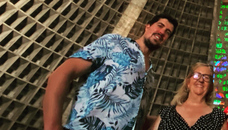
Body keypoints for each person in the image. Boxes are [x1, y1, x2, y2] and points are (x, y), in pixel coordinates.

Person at [43, 13, 178, 130]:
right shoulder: (114, 43)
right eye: (160, 26)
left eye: (167, 32)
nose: (162, 32)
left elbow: (134, 118)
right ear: (147, 26)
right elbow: (62, 74)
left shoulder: (151, 77)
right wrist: (52, 127)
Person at [149, 63, 227, 130]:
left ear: (210, 86)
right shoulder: (167, 114)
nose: (201, 80)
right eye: (197, 75)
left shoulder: (218, 117)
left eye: (206, 77)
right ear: (188, 82)